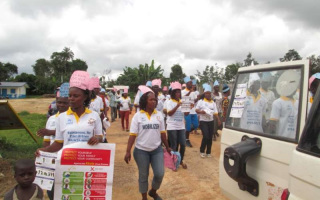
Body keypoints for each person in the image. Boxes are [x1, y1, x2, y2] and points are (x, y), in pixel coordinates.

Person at [35, 71, 103, 156]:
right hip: (68, 161)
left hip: (87, 160)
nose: (71, 99)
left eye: (76, 96)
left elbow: (100, 137)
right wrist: (43, 150)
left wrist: (97, 138)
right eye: (70, 96)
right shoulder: (61, 117)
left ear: (85, 97)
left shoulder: (94, 115)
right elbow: (59, 143)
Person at [124, 86, 171, 200]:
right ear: (145, 101)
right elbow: (132, 135)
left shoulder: (159, 115)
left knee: (159, 174)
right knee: (143, 175)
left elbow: (163, 133)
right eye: (151, 100)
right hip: (141, 151)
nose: (154, 101)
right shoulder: (138, 116)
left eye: (155, 99)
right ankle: (144, 197)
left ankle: (153, 192)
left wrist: (168, 147)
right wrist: (128, 151)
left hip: (157, 150)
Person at [269, 70, 299, 138]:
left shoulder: (298, 103)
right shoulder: (277, 103)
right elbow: (272, 124)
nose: (294, 88)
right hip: (283, 139)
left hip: (296, 140)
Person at [166, 81, 188, 169]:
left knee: (183, 144)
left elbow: (186, 114)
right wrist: (177, 106)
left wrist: (189, 107)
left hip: (181, 126)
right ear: (173, 93)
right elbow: (169, 114)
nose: (178, 93)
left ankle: (180, 160)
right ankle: (174, 162)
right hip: (172, 126)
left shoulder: (182, 101)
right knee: (174, 145)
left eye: (179, 92)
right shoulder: (169, 102)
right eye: (176, 92)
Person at [196, 84, 221, 158]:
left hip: (211, 121)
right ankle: (202, 150)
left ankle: (208, 152)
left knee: (210, 137)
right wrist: (201, 112)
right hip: (203, 121)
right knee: (206, 136)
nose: (208, 95)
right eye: (206, 93)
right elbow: (196, 110)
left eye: (209, 93)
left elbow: (215, 112)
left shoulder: (213, 102)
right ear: (204, 94)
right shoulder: (201, 101)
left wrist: (218, 120)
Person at [181, 76, 199, 147]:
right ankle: (187, 140)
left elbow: (194, 100)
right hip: (186, 110)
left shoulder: (193, 92)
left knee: (196, 125)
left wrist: (198, 98)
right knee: (188, 126)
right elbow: (183, 98)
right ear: (186, 84)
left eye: (191, 83)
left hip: (193, 110)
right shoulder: (183, 91)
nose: (191, 84)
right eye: (190, 83)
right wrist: (190, 92)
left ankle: (185, 133)